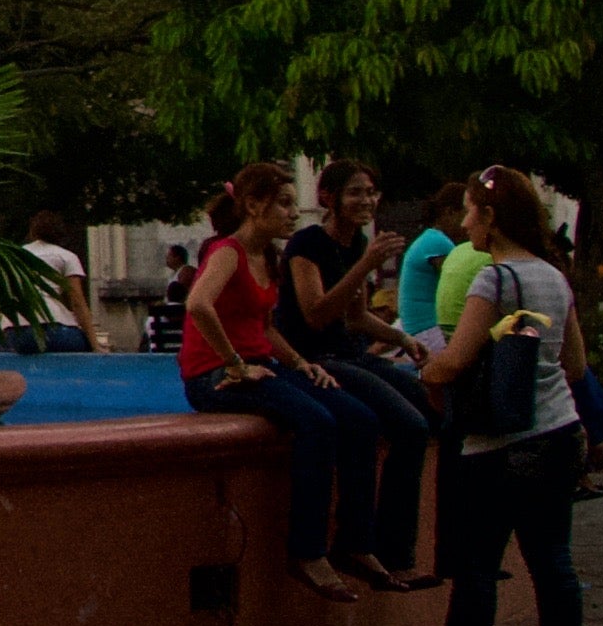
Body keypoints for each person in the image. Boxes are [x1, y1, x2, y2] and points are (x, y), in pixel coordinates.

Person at [394, 164, 590, 626]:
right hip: (558, 432)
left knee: (476, 568)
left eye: (471, 212)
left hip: (497, 446)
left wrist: (427, 367)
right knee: (553, 563)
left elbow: (453, 363)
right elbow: (574, 364)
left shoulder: (494, 280)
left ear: (492, 218)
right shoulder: (554, 277)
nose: (464, 222)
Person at [176, 163, 382, 603]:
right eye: (285, 203)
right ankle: (308, 551)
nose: (294, 213)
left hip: (261, 365)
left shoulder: (268, 256)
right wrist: (233, 364)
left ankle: (356, 542)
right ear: (253, 206)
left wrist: (300, 363)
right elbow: (197, 304)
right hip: (215, 376)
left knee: (359, 419)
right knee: (317, 422)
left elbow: (264, 327)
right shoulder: (228, 251)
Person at [277, 162, 437, 592]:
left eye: (370, 192)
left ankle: (395, 548)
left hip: (351, 353)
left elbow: (357, 316)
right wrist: (365, 264)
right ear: (328, 198)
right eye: (354, 193)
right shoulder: (306, 244)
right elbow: (316, 315)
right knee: (400, 423)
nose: (365, 201)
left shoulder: (358, 243)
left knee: (427, 415)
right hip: (316, 357)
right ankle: (362, 544)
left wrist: (401, 337)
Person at [9, 211, 102, 352]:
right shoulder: (66, 257)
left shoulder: (16, 255)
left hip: (20, 331)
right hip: (55, 329)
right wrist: (94, 345)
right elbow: (77, 301)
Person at [398, 182, 466, 339]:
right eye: (467, 213)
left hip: (418, 328)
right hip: (428, 329)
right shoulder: (439, 242)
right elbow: (458, 289)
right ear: (450, 212)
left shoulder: (431, 238)